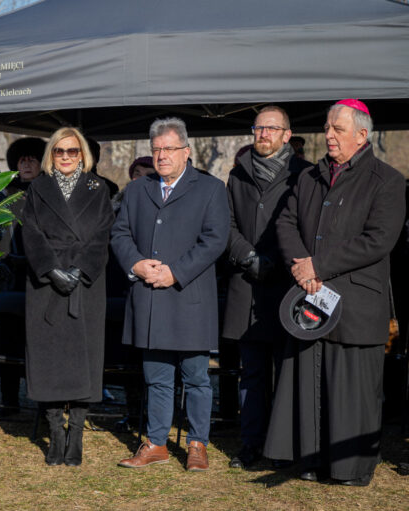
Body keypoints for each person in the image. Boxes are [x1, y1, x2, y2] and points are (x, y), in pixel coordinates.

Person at [264, 99, 405, 486]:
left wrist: (319, 266)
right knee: (310, 384)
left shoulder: (387, 180)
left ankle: (350, 469)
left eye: (337, 129)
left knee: (351, 389)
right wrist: (301, 264)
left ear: (362, 135)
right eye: (327, 128)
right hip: (310, 296)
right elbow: (286, 222)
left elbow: (378, 240)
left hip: (356, 302)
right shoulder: (309, 177)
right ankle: (309, 462)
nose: (328, 135)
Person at [111, 117, 229, 471]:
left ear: (186, 152)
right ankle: (157, 443)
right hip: (149, 298)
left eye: (169, 149)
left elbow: (215, 240)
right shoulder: (136, 190)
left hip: (188, 296)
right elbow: (119, 235)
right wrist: (136, 265)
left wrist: (175, 271)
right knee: (156, 377)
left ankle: (196, 444)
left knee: (195, 377)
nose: (162, 156)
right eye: (157, 149)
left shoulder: (210, 189)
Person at [222, 106, 310, 469]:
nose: (263, 134)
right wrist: (249, 256)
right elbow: (225, 224)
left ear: (287, 135)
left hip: (288, 286)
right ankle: (251, 444)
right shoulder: (237, 174)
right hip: (247, 284)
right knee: (252, 375)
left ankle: (286, 448)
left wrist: (275, 259)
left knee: (289, 373)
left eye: (271, 128)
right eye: (258, 128)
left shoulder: (304, 175)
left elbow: (306, 225)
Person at [20, 128, 113, 466]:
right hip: (47, 285)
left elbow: (103, 233)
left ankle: (76, 434)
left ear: (83, 154)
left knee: (84, 358)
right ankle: (55, 433)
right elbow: (29, 231)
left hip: (85, 284)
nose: (66, 157)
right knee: (49, 360)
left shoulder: (97, 188)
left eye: (73, 151)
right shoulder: (37, 188)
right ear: (51, 155)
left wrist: (81, 270)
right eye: (59, 151)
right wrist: (51, 269)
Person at [0, 137, 45, 420]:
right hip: (9, 278)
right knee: (7, 342)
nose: (26, 163)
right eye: (21, 159)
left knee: (39, 343)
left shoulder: (49, 193)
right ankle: (9, 402)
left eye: (32, 158)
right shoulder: (4, 195)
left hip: (41, 279)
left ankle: (46, 403)